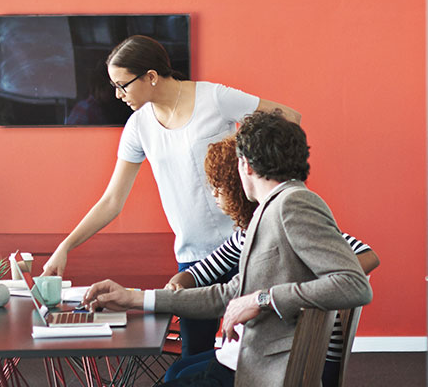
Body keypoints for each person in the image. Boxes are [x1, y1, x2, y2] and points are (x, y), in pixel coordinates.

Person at [40, 34, 302, 357]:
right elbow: (112, 201)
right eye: (114, 86)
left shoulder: (213, 98)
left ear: (151, 77)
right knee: (195, 356)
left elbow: (290, 116)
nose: (117, 94)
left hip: (245, 244)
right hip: (193, 259)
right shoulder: (138, 126)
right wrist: (65, 247)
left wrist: (249, 159)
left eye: (123, 85)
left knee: (258, 354)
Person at [84, 110, 371, 387]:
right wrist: (135, 299)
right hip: (253, 361)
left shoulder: (293, 205)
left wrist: (260, 299)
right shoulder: (269, 210)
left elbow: (354, 285)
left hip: (262, 371)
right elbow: (229, 294)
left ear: (245, 164)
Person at [160, 135, 380, 386]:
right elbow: (205, 269)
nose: (214, 195)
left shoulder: (290, 217)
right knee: (176, 372)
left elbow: (367, 256)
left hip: (309, 351)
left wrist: (300, 280)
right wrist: (179, 281)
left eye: (218, 187)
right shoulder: (246, 232)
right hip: (280, 343)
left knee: (181, 375)